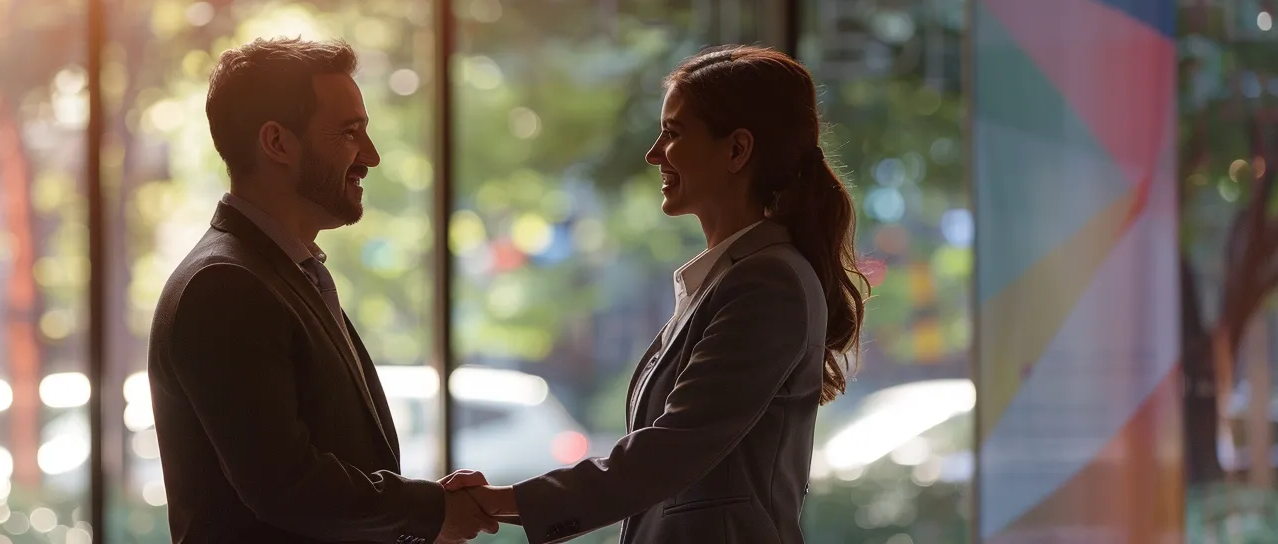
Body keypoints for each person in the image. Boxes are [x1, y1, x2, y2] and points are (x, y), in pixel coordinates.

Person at [441, 45, 868, 543]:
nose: (653, 153)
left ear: (737, 150)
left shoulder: (767, 283)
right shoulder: (731, 278)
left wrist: (503, 501)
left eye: (673, 132)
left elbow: (669, 451)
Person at [147, 37, 497, 544]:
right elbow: (286, 485)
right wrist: (427, 510)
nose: (370, 156)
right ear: (277, 143)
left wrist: (424, 506)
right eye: (349, 133)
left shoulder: (277, 273)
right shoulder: (225, 286)